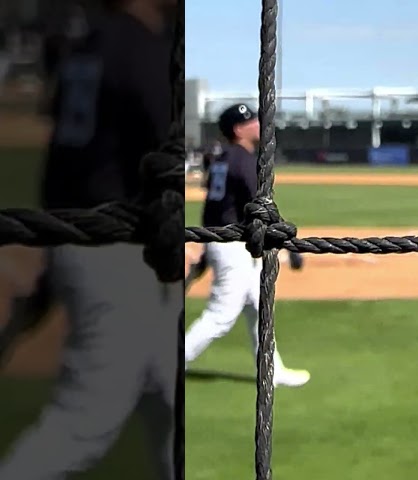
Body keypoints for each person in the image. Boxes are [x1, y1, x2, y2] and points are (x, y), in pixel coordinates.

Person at [0, 1, 181, 479]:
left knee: (173, 403)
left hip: (85, 238)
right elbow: (167, 161)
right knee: (87, 418)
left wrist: (52, 249)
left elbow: (61, 157)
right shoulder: (144, 51)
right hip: (121, 252)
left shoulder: (88, 47)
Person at [184, 103, 310, 388]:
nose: (259, 124)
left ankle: (271, 371)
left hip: (226, 242)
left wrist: (207, 247)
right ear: (239, 130)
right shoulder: (242, 160)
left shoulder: (223, 158)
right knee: (221, 315)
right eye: (252, 121)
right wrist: (289, 246)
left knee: (259, 307)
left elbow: (213, 207)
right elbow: (261, 209)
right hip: (234, 247)